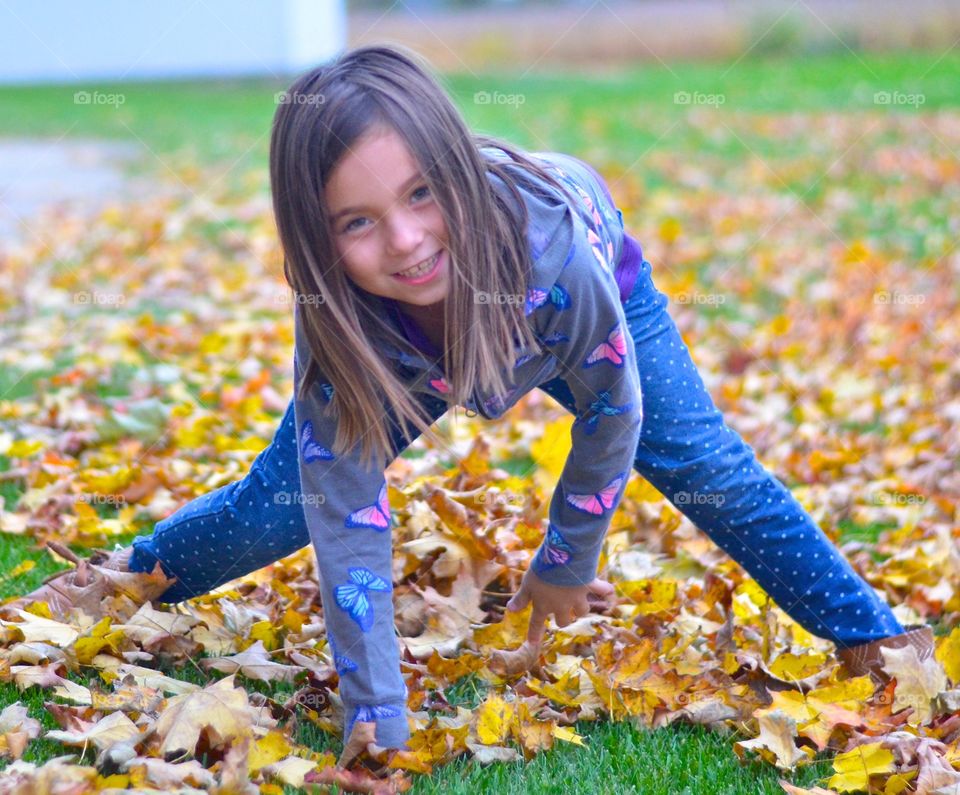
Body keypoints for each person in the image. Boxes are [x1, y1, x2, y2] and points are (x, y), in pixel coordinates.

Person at [6, 44, 933, 764]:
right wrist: (375, 706)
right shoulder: (346, 322)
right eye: (356, 222)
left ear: (454, 169)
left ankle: (877, 644)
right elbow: (347, 515)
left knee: (707, 464)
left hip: (572, 302)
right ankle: (129, 576)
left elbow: (614, 413)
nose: (405, 240)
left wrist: (567, 559)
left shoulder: (556, 261)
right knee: (278, 500)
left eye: (420, 195)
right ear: (317, 241)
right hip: (413, 350)